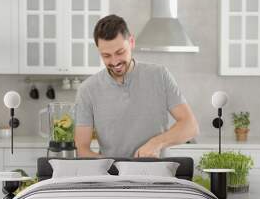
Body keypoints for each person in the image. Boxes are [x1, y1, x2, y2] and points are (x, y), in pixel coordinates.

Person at [74, 14, 199, 158]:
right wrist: (112, 165)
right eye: (106, 55)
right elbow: (81, 149)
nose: (114, 62)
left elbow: (190, 126)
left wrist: (156, 143)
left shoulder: (160, 75)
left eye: (120, 52)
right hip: (112, 177)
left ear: (131, 42)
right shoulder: (87, 90)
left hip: (158, 175)